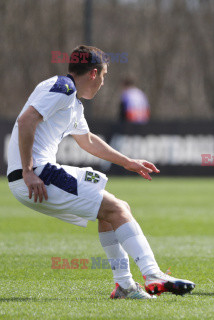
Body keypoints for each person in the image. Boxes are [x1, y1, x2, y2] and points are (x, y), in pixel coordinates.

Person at [7, 45, 194, 299]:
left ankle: (125, 286)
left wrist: (127, 161)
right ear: (93, 73)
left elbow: (88, 141)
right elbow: (26, 120)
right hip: (36, 174)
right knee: (117, 209)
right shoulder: (63, 87)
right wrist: (28, 170)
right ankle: (152, 274)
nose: (103, 83)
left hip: (34, 174)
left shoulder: (72, 101)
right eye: (104, 76)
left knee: (111, 211)